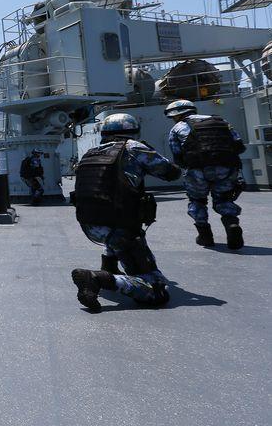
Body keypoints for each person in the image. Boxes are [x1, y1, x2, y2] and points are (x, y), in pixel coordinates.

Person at [69, 113, 182, 312]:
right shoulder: (134, 148)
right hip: (120, 228)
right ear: (133, 131)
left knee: (116, 232)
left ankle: (109, 265)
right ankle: (97, 279)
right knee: (157, 293)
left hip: (90, 225)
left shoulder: (91, 152)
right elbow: (170, 173)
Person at [164, 100, 246, 249]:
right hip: (227, 166)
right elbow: (239, 146)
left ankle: (205, 236)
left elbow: (177, 155)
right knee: (223, 199)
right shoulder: (221, 121)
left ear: (177, 115)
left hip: (197, 170)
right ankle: (231, 224)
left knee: (197, 201)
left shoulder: (177, 128)